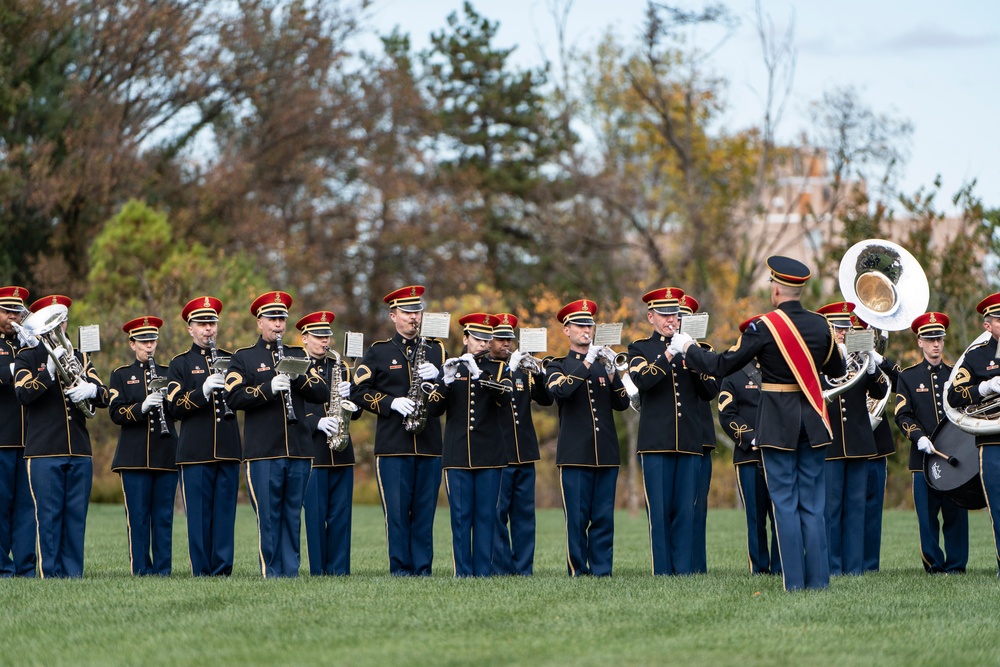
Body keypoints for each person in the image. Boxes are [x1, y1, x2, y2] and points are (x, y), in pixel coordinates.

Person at [674, 256, 846, 591]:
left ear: (778, 288)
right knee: (812, 504)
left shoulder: (765, 327)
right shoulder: (822, 326)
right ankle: (819, 582)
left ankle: (794, 583)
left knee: (784, 503)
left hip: (778, 425)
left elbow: (722, 365)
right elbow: (837, 371)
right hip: (813, 421)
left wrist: (688, 348)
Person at [226, 291, 327, 577]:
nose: (279, 324)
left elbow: (320, 391)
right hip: (263, 452)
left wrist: (299, 377)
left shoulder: (297, 355)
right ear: (260, 322)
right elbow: (234, 396)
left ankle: (291, 571)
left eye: (282, 318)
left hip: (298, 449)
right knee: (269, 517)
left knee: (293, 514)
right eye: (272, 318)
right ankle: (271, 571)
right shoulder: (243, 358)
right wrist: (268, 388)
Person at [351, 285, 446, 576]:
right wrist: (392, 403)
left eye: (417, 311)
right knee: (396, 514)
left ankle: (423, 569)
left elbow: (444, 403)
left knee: (424, 513)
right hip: (393, 446)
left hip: (429, 444)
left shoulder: (435, 349)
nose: (413, 317)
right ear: (393, 315)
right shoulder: (378, 352)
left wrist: (441, 378)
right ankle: (400, 570)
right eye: (406, 312)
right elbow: (358, 391)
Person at [14, 295, 110, 578]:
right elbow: (22, 393)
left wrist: (91, 390)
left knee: (75, 516)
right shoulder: (27, 357)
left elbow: (104, 394)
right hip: (44, 450)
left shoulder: (79, 356)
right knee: (49, 517)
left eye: (62, 319)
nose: (60, 325)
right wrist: (48, 375)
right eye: (53, 320)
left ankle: (73, 574)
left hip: (79, 449)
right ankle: (50, 573)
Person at [627, 288, 714, 576]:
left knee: (685, 511)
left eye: (675, 314)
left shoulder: (693, 348)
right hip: (655, 442)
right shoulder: (640, 348)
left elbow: (709, 389)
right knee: (660, 513)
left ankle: (684, 571)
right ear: (651, 316)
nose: (671, 320)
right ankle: (662, 571)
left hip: (689, 441)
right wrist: (668, 353)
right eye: (664, 315)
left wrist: (693, 354)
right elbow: (642, 381)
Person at [547, 298, 629, 576]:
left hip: (605, 452)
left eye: (589, 325)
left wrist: (613, 372)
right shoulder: (557, 366)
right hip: (575, 454)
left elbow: (621, 403)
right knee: (577, 518)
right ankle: (577, 569)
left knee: (604, 517)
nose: (586, 330)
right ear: (566, 330)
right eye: (580, 325)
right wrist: (589, 362)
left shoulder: (602, 365)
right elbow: (560, 392)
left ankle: (602, 569)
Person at [166, 296, 243, 576]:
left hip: (228, 447)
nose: (208, 329)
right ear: (190, 329)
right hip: (195, 452)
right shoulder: (180, 364)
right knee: (198, 517)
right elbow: (173, 407)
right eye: (202, 324)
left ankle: (223, 569)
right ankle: (201, 570)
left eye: (212, 323)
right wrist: (203, 392)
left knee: (225, 514)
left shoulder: (231, 360)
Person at [816, 301, 885, 577]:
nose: (843, 333)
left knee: (856, 509)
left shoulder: (860, 360)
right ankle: (833, 567)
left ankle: (854, 568)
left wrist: (870, 367)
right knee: (830, 511)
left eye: (845, 328)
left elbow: (880, 391)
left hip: (858, 443)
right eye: (837, 328)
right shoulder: (817, 360)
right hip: (831, 444)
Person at [439, 313, 511, 576]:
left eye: (486, 339)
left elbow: (505, 397)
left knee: (486, 518)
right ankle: (462, 572)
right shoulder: (451, 366)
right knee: (460, 518)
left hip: (490, 454)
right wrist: (445, 382)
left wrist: (479, 375)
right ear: (466, 338)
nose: (482, 344)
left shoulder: (498, 367)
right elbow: (435, 408)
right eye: (477, 339)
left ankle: (484, 572)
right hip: (457, 454)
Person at [895, 311, 968, 573]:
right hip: (923, 459)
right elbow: (902, 414)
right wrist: (918, 436)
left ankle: (957, 564)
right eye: (929, 338)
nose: (935, 344)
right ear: (919, 342)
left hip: (955, 459)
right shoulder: (908, 377)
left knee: (956, 515)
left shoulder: (956, 374)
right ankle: (933, 564)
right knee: (927, 517)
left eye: (939, 338)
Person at [108, 316, 178, 576]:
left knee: (163, 518)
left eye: (152, 341)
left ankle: (163, 569)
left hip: (166, 455)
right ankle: (140, 569)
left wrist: (168, 402)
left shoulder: (169, 373)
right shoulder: (121, 375)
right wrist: (142, 407)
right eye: (143, 341)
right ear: (132, 344)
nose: (149, 346)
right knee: (137, 518)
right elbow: (115, 413)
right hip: (133, 457)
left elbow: (179, 411)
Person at [718, 314, 781, 575]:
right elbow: (726, 413)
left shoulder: (779, 369)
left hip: (778, 455)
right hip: (749, 456)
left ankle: (781, 566)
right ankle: (758, 568)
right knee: (755, 518)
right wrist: (752, 437)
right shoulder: (733, 372)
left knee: (780, 516)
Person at [298, 310, 359, 576]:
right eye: (319, 336)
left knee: (341, 516)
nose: (325, 341)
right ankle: (318, 570)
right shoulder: (297, 366)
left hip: (342, 451)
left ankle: (340, 570)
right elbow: (292, 408)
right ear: (304, 338)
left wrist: (352, 398)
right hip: (313, 453)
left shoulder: (341, 366)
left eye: (327, 336)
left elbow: (356, 413)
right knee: (314, 516)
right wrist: (316, 422)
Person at [490, 312, 552, 575]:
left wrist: (538, 374)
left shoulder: (523, 371)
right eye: (501, 340)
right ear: (490, 341)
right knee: (497, 515)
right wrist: (511, 367)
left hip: (525, 452)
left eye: (510, 340)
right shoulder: (485, 368)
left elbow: (546, 400)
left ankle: (523, 568)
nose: (507, 344)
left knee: (525, 517)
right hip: (499, 454)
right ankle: (501, 567)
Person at [852, 313, 900, 573]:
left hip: (876, 443)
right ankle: (849, 562)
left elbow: (902, 380)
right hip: (847, 444)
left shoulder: (876, 363)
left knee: (872, 510)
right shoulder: (840, 363)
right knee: (847, 507)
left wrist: (877, 358)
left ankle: (870, 565)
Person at [679, 294, 720, 574]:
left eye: (683, 316)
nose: (677, 321)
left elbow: (710, 390)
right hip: (672, 437)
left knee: (697, 505)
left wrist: (691, 355)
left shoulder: (704, 351)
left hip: (701, 437)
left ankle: (697, 565)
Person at [0, 286, 35, 577]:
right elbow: (6, 376)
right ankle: (2, 567)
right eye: (7, 311)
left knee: (26, 509)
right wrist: (28, 361)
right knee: (1, 506)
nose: (13, 317)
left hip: (30, 440)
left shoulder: (28, 344)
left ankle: (25, 568)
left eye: (17, 312)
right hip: (2, 438)